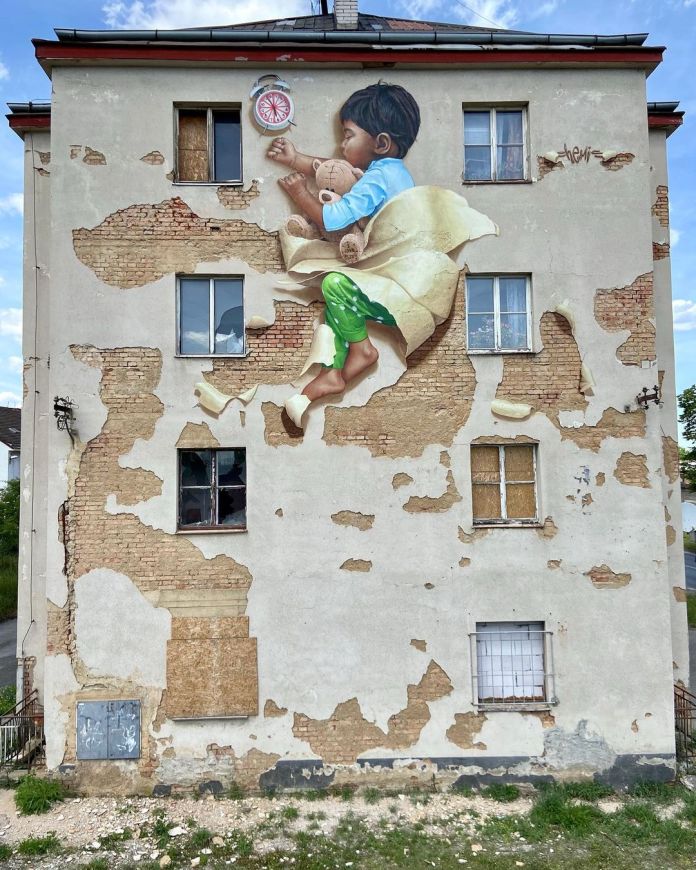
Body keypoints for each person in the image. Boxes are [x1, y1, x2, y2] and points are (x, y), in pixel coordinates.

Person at [267, 82, 421, 418]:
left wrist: (301, 195)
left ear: (380, 143)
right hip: (392, 281)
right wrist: (296, 159)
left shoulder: (378, 179)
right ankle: (333, 374)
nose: (341, 143)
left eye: (349, 135)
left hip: (394, 292)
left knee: (335, 285)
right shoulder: (390, 172)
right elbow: (336, 171)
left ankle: (361, 351)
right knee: (335, 309)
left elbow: (335, 218)